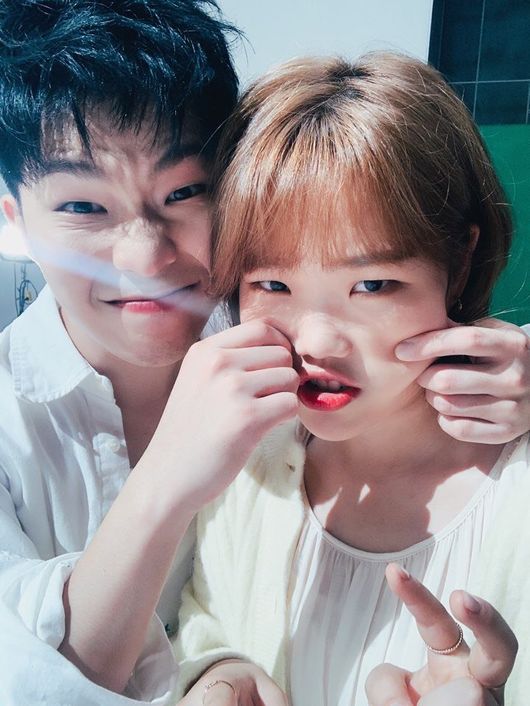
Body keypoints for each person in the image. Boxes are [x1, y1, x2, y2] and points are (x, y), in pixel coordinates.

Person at [0, 3, 528, 704]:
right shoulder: (254, 449)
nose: (145, 259)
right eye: (82, 208)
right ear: (15, 216)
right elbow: (37, 680)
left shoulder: (275, 349)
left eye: (184, 192)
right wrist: (215, 671)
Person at [173, 53, 530, 706]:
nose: (315, 343)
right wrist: (215, 676)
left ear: (459, 261)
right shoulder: (248, 468)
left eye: (372, 284)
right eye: (271, 284)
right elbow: (204, 621)